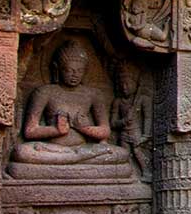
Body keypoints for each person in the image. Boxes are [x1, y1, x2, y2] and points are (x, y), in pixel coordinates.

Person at [10, 39, 131, 170]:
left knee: (121, 153)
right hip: (52, 149)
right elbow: (30, 131)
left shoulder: (93, 94)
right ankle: (75, 159)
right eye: (69, 70)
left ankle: (71, 159)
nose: (75, 75)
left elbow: (105, 131)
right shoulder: (44, 92)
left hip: (83, 148)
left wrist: (83, 128)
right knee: (22, 152)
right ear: (57, 69)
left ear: (85, 71)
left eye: (79, 71)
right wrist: (56, 130)